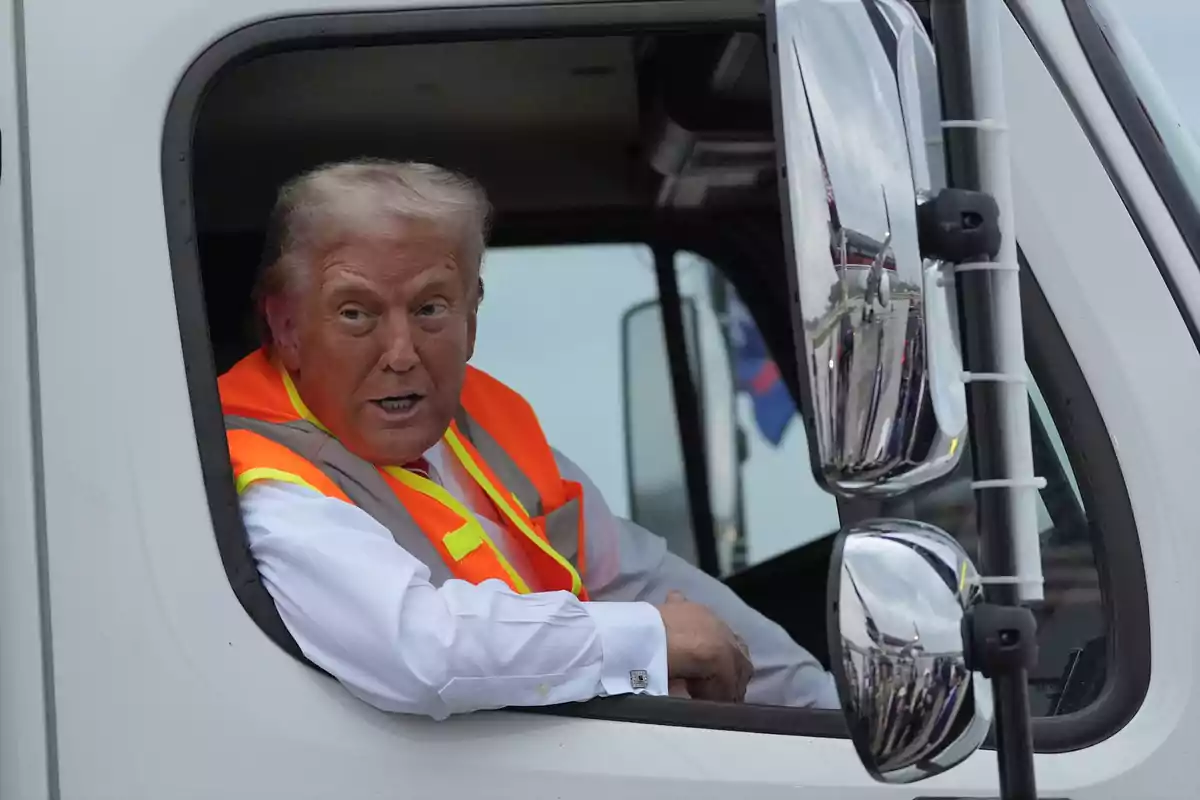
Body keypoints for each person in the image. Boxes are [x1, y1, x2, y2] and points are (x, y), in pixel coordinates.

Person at [219, 158, 839, 721]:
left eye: (432, 307)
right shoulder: (263, 475)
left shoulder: (484, 426)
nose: (401, 354)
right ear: (288, 328)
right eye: (356, 313)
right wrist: (646, 640)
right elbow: (421, 652)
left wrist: (829, 718)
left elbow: (639, 578)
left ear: (473, 316)